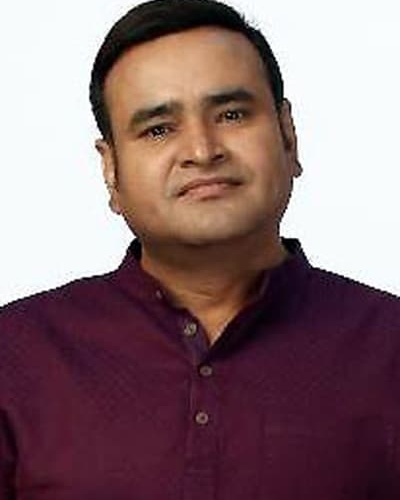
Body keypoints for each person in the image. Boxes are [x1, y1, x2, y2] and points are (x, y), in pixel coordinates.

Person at [0, 0, 399, 498]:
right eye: (158, 129)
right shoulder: (15, 356)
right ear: (111, 170)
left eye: (232, 114)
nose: (202, 151)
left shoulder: (390, 347)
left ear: (288, 136)